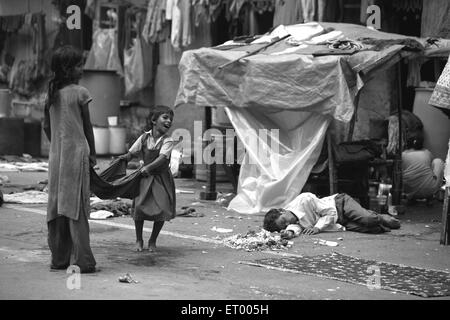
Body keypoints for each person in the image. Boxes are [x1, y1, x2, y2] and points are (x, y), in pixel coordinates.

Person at [43, 45, 97, 273]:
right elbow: (87, 127)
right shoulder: (80, 92)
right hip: (76, 156)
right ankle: (83, 261)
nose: (81, 68)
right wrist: (92, 153)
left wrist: (57, 142)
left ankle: (59, 259)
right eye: (78, 64)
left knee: (57, 205)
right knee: (76, 207)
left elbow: (46, 126)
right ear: (67, 69)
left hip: (56, 157)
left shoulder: (51, 94)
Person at [118, 105, 176, 252]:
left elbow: (162, 159)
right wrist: (123, 158)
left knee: (162, 209)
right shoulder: (144, 137)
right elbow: (132, 152)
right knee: (139, 208)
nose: (169, 121)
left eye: (170, 118)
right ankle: (139, 239)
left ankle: (153, 240)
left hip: (160, 179)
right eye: (165, 117)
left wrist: (148, 168)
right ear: (153, 120)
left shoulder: (168, 141)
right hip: (143, 179)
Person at [263, 192, 400, 239]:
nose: (287, 224)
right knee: (374, 230)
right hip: (340, 222)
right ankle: (377, 220)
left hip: (340, 205)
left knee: (369, 220)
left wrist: (317, 228)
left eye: (283, 221)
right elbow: (294, 228)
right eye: (284, 226)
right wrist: (289, 233)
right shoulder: (291, 223)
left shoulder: (304, 199)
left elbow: (331, 212)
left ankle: (380, 217)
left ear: (282, 211)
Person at [402, 135, 445, 202]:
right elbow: (431, 167)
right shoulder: (427, 153)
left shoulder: (403, 155)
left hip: (408, 190)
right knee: (438, 161)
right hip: (429, 190)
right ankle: (433, 194)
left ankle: (412, 196)